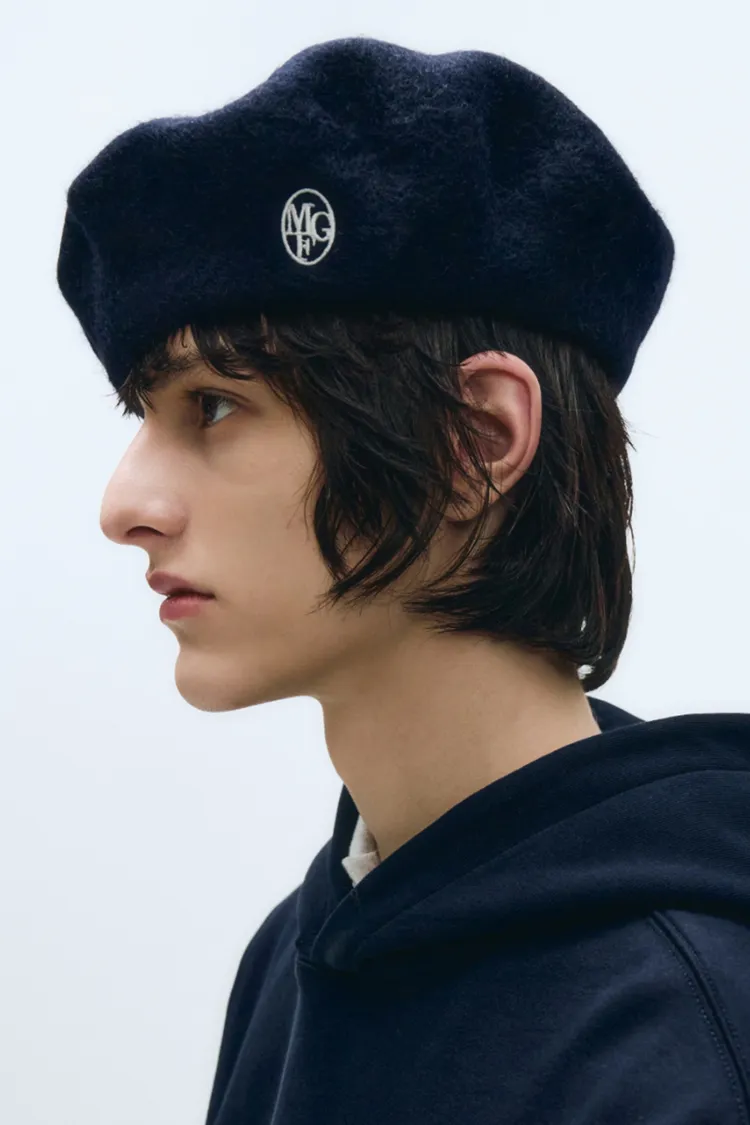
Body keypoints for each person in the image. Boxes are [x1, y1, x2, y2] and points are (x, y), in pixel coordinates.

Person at [56, 36, 750, 1125]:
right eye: (145, 415)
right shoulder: (292, 961)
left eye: (215, 407)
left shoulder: (678, 1029)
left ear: (477, 442)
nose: (125, 504)